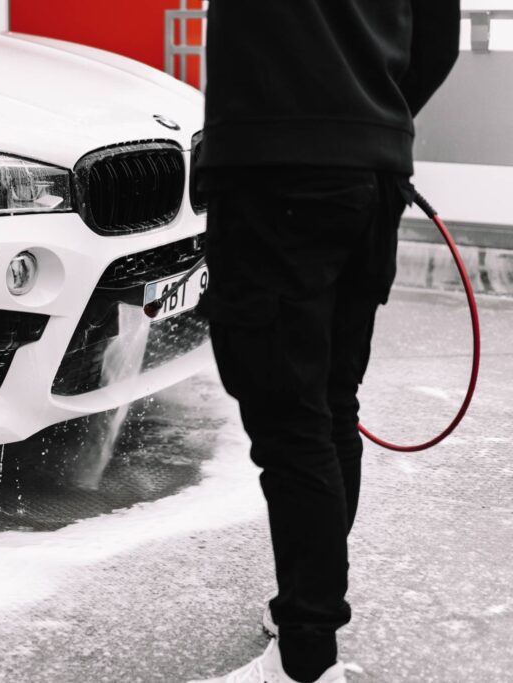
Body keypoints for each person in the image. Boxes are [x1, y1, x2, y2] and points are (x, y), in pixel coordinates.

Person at [188, 2, 460, 682]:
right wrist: (363, 112)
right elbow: (441, 38)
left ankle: (306, 659)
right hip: (371, 170)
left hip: (274, 170)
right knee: (332, 405)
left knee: (292, 420)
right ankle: (305, 613)